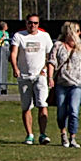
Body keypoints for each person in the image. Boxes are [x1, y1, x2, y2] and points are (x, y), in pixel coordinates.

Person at [47, 22, 81, 148]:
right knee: (61, 111)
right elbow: (51, 62)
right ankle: (63, 134)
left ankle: (73, 136)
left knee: (73, 110)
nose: (78, 34)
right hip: (62, 83)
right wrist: (50, 78)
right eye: (76, 31)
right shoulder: (58, 46)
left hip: (77, 83)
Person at [10, 15, 54, 144]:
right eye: (30, 23)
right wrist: (15, 68)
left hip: (40, 75)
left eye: (35, 23)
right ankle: (29, 134)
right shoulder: (19, 36)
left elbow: (50, 55)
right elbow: (13, 53)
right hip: (24, 76)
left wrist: (45, 69)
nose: (33, 25)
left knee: (42, 104)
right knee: (26, 106)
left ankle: (43, 134)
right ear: (26, 23)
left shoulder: (44, 36)